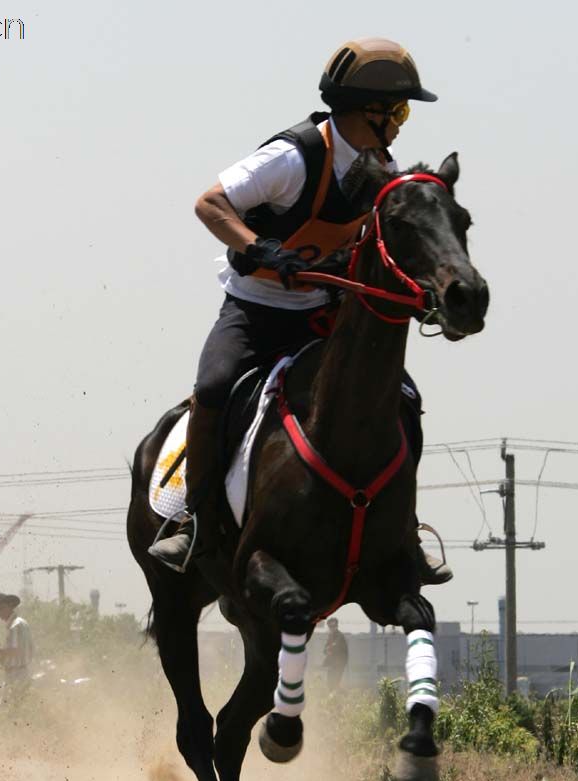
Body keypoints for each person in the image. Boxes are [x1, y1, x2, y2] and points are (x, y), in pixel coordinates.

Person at [148, 37, 450, 587]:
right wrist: (258, 247)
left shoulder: (385, 167)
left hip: (323, 313)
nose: (403, 124)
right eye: (400, 111)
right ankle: (195, 519)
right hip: (256, 310)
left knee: (401, 396)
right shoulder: (294, 157)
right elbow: (209, 203)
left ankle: (402, 530)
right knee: (214, 387)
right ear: (369, 112)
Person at [322, 617, 349, 691]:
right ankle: (335, 698)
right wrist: (327, 649)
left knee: (334, 683)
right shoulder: (330, 636)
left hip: (339, 664)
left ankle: (339, 697)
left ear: (337, 626)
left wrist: (329, 648)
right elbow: (325, 649)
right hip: (332, 664)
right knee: (330, 683)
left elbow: (335, 646)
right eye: (330, 626)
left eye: (334, 626)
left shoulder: (340, 636)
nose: (332, 628)